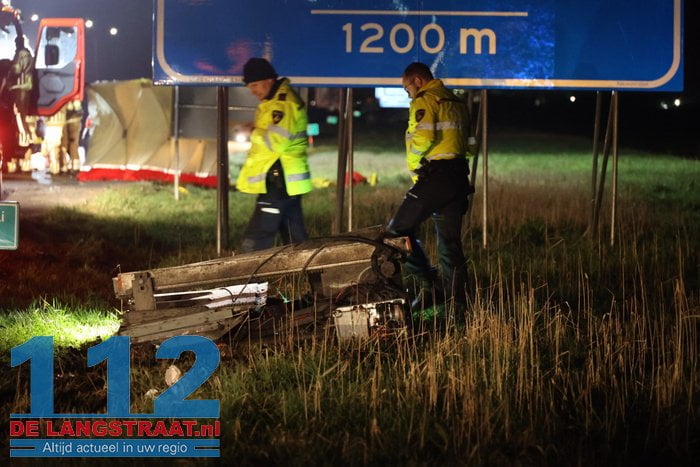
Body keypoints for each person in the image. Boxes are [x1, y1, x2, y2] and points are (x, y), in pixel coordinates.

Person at [387, 62, 474, 315]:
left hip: (436, 177)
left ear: (417, 81)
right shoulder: (456, 102)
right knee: (450, 245)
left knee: (397, 229)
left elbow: (422, 139)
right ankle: (457, 309)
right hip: (459, 177)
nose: (408, 95)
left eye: (407, 89)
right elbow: (471, 144)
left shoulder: (426, 100)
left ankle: (429, 286)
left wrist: (416, 169)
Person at [236, 58, 312, 252]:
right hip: (284, 180)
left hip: (278, 180)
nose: (252, 91)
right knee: (296, 240)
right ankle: (314, 276)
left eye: (254, 85)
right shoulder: (274, 101)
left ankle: (248, 279)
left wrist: (252, 132)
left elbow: (276, 142)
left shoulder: (283, 104)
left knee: (257, 238)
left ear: (268, 80)